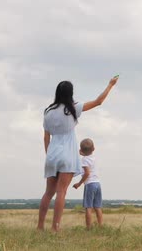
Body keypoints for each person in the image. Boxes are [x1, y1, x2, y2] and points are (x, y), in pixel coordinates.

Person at [37, 76, 118, 232]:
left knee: (48, 193)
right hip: (67, 154)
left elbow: (46, 137)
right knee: (61, 192)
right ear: (70, 93)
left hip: (52, 154)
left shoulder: (48, 111)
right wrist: (110, 85)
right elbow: (98, 102)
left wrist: (49, 155)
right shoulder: (72, 108)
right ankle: (55, 227)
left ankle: (40, 226)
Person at [73, 138, 102, 229]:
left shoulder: (84, 160)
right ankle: (100, 226)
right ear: (93, 149)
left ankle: (88, 228)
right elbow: (88, 155)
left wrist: (79, 183)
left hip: (89, 184)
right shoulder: (94, 158)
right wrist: (83, 154)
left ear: (81, 150)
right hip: (97, 183)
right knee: (97, 207)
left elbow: (87, 173)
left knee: (88, 207)